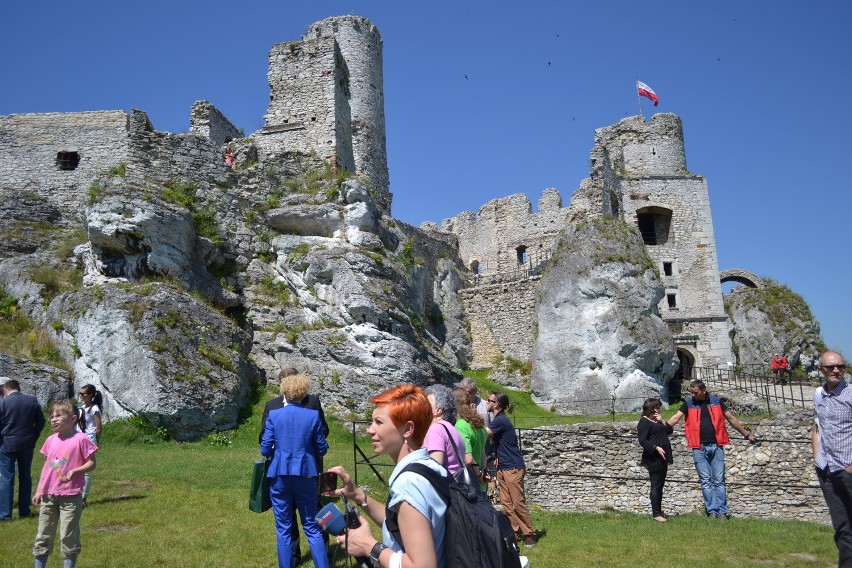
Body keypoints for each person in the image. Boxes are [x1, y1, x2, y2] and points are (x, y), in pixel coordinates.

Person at [328, 384, 448, 568]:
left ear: (407, 429)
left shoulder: (409, 484)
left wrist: (369, 546)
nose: (370, 430)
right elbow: (402, 524)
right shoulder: (429, 467)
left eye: (379, 422)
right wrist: (357, 496)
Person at [260, 367, 329, 562]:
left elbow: (265, 449)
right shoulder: (312, 416)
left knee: (283, 529)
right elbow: (322, 448)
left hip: (280, 475)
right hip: (306, 474)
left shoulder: (274, 416)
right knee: (312, 526)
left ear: (284, 391)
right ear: (304, 392)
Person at [667, 379, 758, 519]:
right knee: (705, 481)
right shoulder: (689, 403)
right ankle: (712, 511)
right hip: (699, 447)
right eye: (691, 392)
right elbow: (676, 418)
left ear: (704, 390)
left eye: (695, 392)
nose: (693, 395)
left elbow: (731, 418)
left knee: (719, 481)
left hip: (717, 446)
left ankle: (722, 512)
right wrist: (661, 429)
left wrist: (746, 434)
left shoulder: (716, 401)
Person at [32, 400, 98, 568]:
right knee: (43, 534)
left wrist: (76, 471)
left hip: (71, 496)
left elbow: (92, 463)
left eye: (59, 415)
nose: (54, 419)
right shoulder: (50, 440)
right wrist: (40, 490)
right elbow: (48, 468)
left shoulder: (81, 439)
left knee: (68, 535)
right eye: (52, 416)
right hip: (49, 495)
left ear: (73, 418)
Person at [811, 351, 852, 567]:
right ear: (821, 370)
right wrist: (816, 458)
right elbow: (817, 425)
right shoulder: (819, 394)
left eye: (840, 366)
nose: (836, 370)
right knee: (842, 527)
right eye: (831, 367)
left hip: (847, 468)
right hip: (827, 469)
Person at [487, 391, 537, 547]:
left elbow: (484, 433)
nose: (486, 402)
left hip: (513, 467)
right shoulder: (498, 420)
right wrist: (496, 456)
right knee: (507, 504)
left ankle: (529, 534)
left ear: (496, 404)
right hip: (503, 467)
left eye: (489, 400)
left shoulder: (500, 420)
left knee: (517, 502)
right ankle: (514, 533)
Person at [0, 377, 46, 521]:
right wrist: (34, 436)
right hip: (27, 443)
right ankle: (24, 510)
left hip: (6, 443)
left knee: (7, 478)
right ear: (18, 387)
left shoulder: (2, 402)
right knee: (25, 476)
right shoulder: (32, 400)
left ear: (5, 388)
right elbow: (41, 421)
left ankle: (5, 515)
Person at [637, 397, 673, 522]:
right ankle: (656, 514)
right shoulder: (644, 422)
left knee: (660, 485)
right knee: (656, 484)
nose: (659, 409)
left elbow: (670, 430)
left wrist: (662, 421)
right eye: (657, 407)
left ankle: (659, 511)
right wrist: (656, 447)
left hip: (663, 457)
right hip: (653, 457)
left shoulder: (657, 421)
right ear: (652, 409)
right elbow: (642, 440)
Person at [424, 384, 466, 476]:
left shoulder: (436, 429)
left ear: (438, 411)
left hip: (442, 487)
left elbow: (435, 468)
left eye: (427, 404)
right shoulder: (452, 429)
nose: (423, 407)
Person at [453, 387, 487, 492]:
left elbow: (468, 458)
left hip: (470, 484)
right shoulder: (479, 425)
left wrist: (479, 475)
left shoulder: (460, 425)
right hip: (481, 486)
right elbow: (483, 454)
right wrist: (483, 472)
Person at [76, 385, 103, 507]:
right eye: (80, 393)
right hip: (79, 438)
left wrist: (96, 442)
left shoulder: (94, 408)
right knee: (77, 466)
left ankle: (83, 498)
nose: (81, 396)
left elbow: (98, 427)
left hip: (89, 439)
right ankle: (76, 494)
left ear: (91, 395)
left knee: (87, 470)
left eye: (84, 394)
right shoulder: (80, 408)